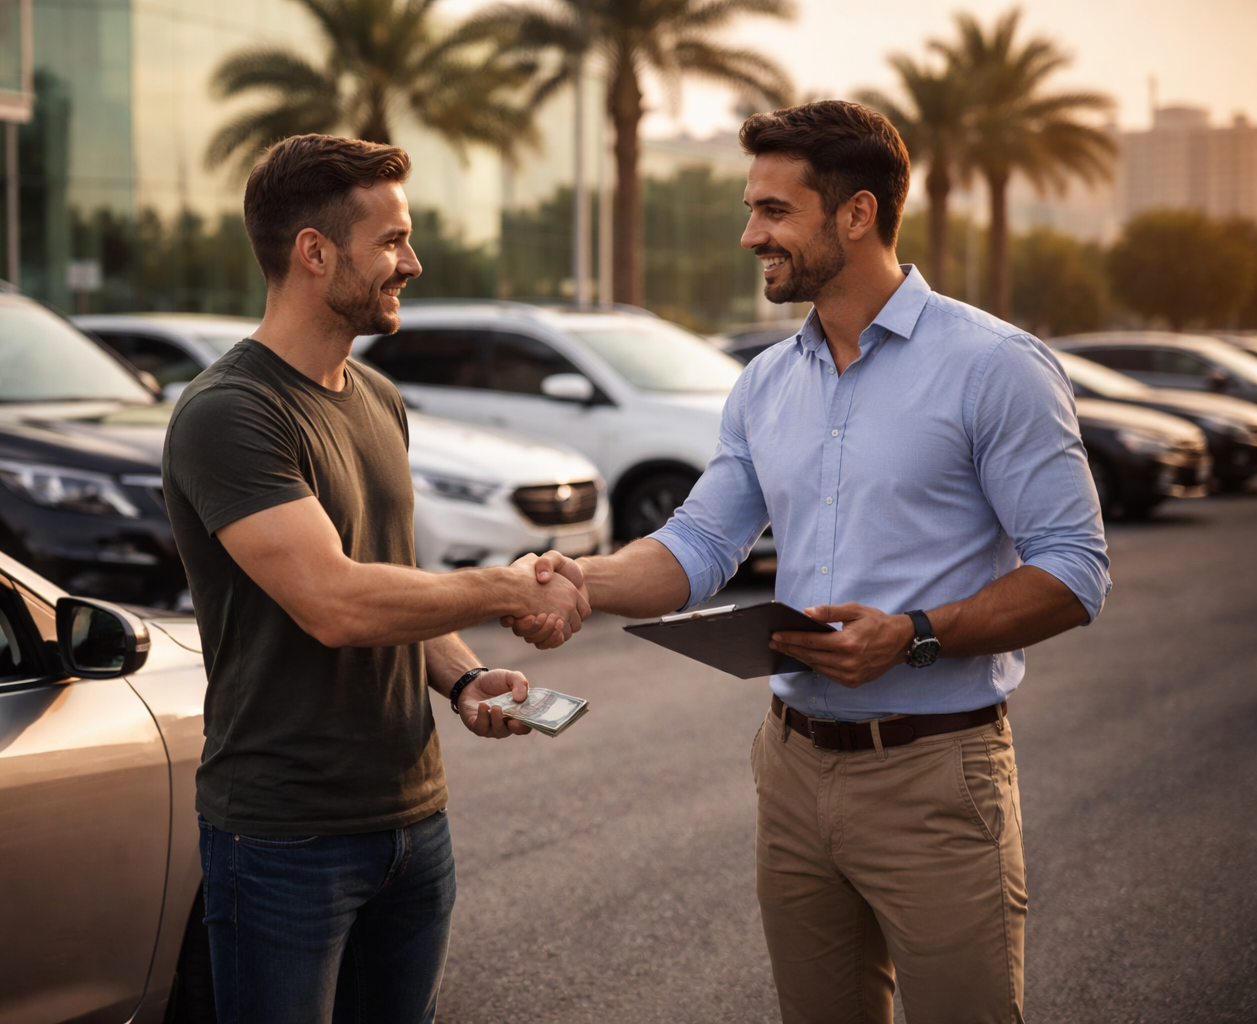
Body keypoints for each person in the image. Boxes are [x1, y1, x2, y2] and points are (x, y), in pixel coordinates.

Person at [509, 101, 1111, 1023]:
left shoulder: (995, 367)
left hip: (935, 775)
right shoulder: (764, 383)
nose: (751, 234)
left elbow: (1074, 570)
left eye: (774, 212)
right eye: (751, 210)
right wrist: (582, 580)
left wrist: (914, 636)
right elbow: (701, 543)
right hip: (790, 770)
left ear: (856, 214)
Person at [162, 133, 588, 1024]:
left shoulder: (375, 397)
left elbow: (390, 585)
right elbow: (334, 603)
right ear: (314, 252)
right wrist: (508, 588)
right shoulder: (230, 413)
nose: (413, 261)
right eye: (392, 240)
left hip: (412, 821)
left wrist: (466, 676)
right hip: (284, 834)